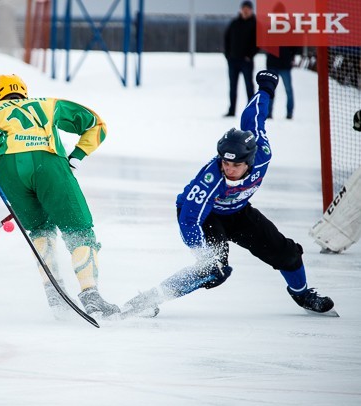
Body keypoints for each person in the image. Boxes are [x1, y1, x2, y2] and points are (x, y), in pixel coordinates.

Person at [123, 70, 337, 318]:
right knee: (214, 270)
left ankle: (302, 294)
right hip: (206, 217)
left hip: (238, 212)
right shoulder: (210, 180)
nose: (229, 169)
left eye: (236, 165)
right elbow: (189, 219)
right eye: (225, 163)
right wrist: (204, 256)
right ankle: (149, 299)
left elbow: (253, 117)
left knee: (286, 253)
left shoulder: (262, 153)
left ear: (249, 161)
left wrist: (266, 87)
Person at [0, 74, 120, 319]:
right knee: (79, 229)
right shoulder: (47, 103)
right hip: (48, 163)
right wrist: (77, 155)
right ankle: (90, 295)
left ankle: (54, 294)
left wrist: (12, 186)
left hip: (8, 168)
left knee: (40, 230)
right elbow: (97, 125)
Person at [223, 0, 258, 117]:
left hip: (246, 61)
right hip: (233, 60)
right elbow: (226, 39)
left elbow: (258, 43)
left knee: (249, 86)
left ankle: (251, 112)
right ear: (241, 9)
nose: (245, 11)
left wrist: (250, 55)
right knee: (233, 87)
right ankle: (232, 110)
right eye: (244, 8)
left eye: (248, 9)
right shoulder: (234, 23)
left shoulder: (255, 24)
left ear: (251, 10)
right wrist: (228, 55)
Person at [266, 47, 299, 119]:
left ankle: (289, 113)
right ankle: (268, 113)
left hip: (285, 64)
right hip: (273, 64)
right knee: (270, 90)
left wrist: (291, 56)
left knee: (288, 90)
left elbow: (295, 46)